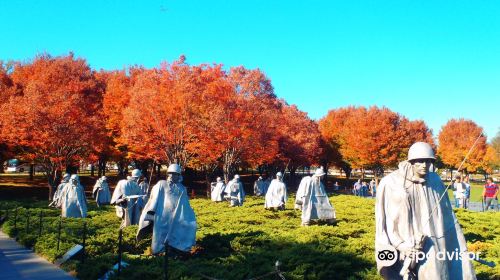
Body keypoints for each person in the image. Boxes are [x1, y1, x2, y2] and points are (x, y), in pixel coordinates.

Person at [375, 142, 475, 279]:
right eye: (420, 161)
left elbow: (448, 218)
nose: (425, 165)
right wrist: (400, 245)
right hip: (403, 247)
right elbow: (383, 222)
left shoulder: (434, 180)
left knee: (436, 273)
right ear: (411, 161)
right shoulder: (390, 183)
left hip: (432, 244)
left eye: (428, 161)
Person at [137, 163, 197, 254]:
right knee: (160, 233)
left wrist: (190, 214)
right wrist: (150, 214)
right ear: (168, 174)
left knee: (176, 233)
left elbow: (185, 204)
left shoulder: (182, 188)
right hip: (162, 214)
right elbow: (154, 199)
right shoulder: (161, 184)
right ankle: (158, 252)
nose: (173, 175)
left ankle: (175, 250)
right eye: (171, 173)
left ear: (179, 175)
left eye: (176, 174)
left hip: (177, 216)